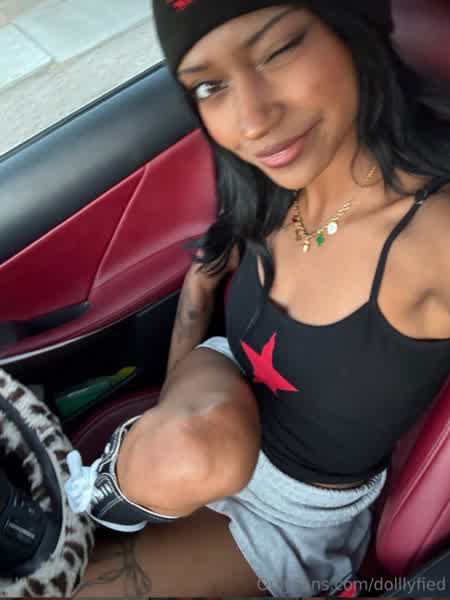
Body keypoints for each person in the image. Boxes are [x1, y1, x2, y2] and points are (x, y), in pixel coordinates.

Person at [67, 1, 450, 596]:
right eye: (210, 86)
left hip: (287, 514)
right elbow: (205, 291)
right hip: (211, 402)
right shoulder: (272, 183)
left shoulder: (432, 237)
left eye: (280, 50)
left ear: (351, 29)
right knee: (192, 454)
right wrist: (197, 296)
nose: (251, 120)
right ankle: (115, 491)